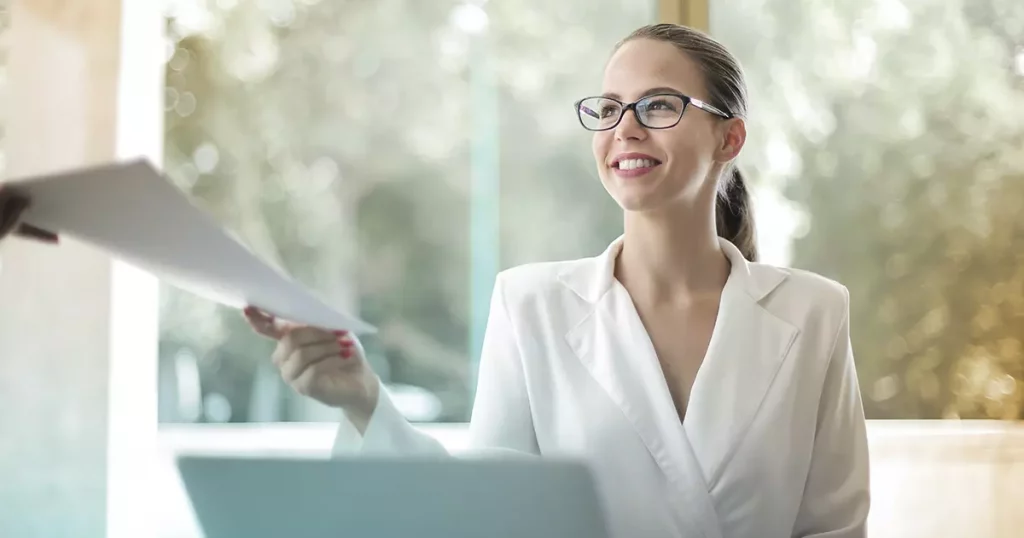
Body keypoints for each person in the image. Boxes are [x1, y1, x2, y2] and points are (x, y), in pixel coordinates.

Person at [246, 23, 869, 538]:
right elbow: (486, 516)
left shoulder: (813, 312)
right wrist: (363, 401)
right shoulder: (530, 306)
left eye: (657, 105)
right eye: (608, 108)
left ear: (729, 137)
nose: (625, 127)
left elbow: (834, 527)